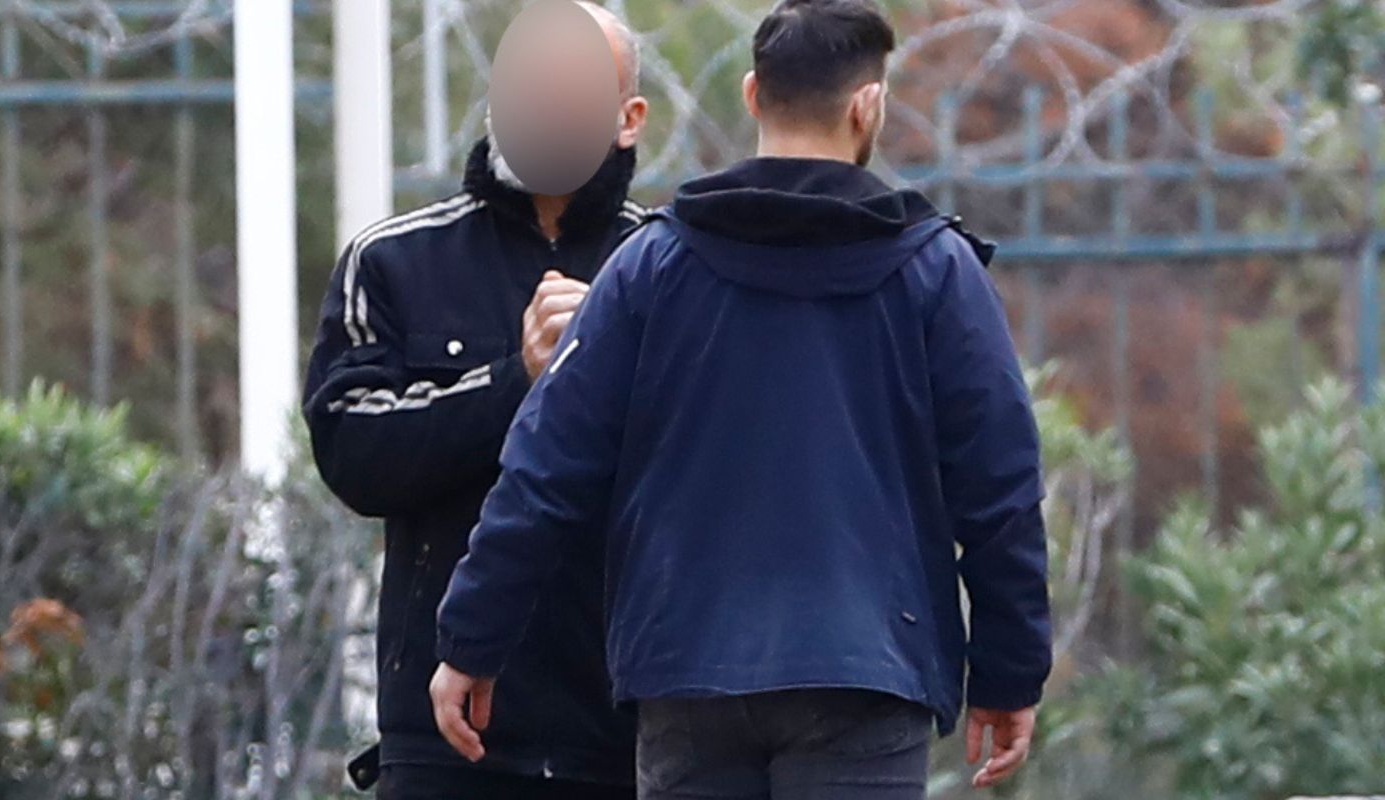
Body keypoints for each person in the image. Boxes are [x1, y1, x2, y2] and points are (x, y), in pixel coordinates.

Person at [429, 1, 1053, 798]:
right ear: (868, 105)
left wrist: (473, 638)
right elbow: (999, 489)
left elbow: (547, 464)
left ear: (753, 94)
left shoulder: (653, 265)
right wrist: (1009, 671)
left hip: (688, 669)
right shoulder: (935, 274)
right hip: (864, 672)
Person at [301, 4, 650, 798]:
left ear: (627, 119)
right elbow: (351, 451)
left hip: (624, 731)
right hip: (446, 736)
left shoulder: (661, 265)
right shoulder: (396, 260)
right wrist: (514, 381)